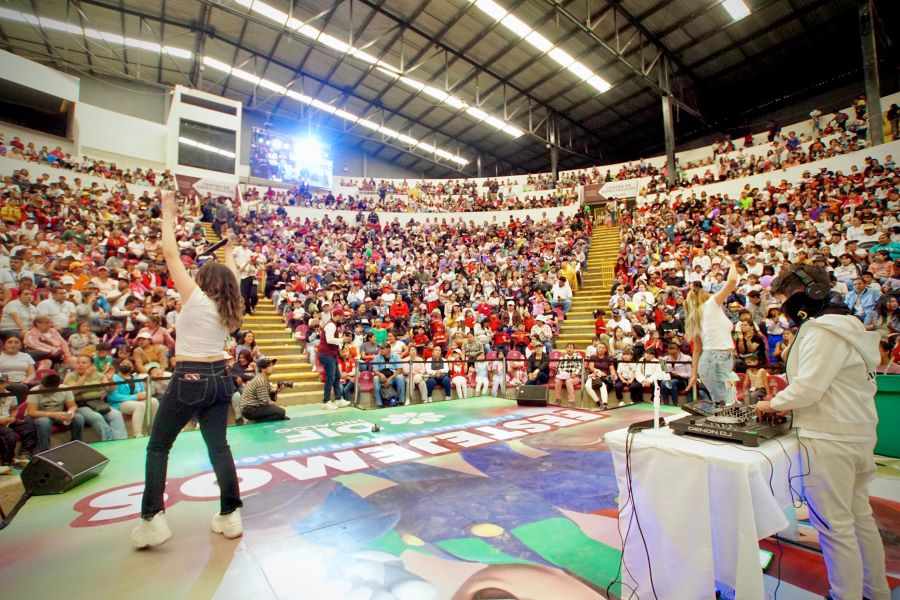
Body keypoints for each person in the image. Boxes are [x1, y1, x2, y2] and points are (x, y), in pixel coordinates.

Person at [756, 264, 890, 600]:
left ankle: (845, 594)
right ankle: (876, 591)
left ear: (806, 294)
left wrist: (770, 404)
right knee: (859, 518)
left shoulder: (822, 330)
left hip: (829, 438)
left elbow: (807, 389)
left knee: (834, 527)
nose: (785, 310)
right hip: (857, 434)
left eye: (785, 300)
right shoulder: (849, 324)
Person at [132, 191, 245, 550]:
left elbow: (168, 253)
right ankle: (230, 514)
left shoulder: (196, 298)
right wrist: (230, 251)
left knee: (158, 447)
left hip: (190, 379)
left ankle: (152, 519)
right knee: (219, 448)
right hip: (220, 381)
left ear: (204, 281)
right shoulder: (233, 304)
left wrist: (167, 213)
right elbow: (236, 274)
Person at [686, 256, 739, 404]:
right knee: (726, 403)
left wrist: (694, 374)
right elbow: (733, 281)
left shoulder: (696, 316)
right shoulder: (711, 303)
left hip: (718, 359)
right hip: (716, 359)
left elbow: (697, 350)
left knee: (727, 401)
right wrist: (732, 264)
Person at [64, 355, 127, 441]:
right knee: (97, 417)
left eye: (84, 362)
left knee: (116, 415)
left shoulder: (99, 375)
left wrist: (110, 379)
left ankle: (121, 440)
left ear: (91, 365)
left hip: (98, 403)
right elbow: (72, 392)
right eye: (78, 363)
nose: (80, 365)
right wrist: (85, 376)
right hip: (81, 405)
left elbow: (110, 389)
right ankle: (108, 442)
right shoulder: (71, 376)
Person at [27, 370, 84, 452]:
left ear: (56, 388)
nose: (41, 389)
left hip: (58, 414)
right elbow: (32, 412)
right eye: (41, 387)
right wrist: (53, 414)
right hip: (40, 415)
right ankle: (43, 451)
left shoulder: (65, 389)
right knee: (44, 422)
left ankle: (77, 445)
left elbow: (72, 405)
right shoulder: (34, 390)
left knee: (78, 418)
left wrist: (70, 412)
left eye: (45, 389)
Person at [107, 358, 159, 438]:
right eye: (123, 363)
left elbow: (141, 390)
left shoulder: (135, 378)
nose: (125, 365)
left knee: (153, 401)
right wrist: (135, 397)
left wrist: (144, 394)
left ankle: (152, 430)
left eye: (128, 364)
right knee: (139, 406)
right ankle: (137, 434)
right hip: (119, 403)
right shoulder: (114, 377)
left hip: (136, 400)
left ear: (132, 367)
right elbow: (113, 396)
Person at [0, 373, 37, 467]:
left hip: (8, 419)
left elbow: (14, 409)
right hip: (1, 422)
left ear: (7, 383)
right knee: (10, 435)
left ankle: (25, 453)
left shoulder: (10, 395)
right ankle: (7, 461)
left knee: (29, 426)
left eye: (1, 382)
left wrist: (13, 417)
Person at [238, 358, 287, 422]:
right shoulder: (260, 381)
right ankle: (256, 422)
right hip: (249, 410)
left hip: (253, 407)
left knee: (280, 414)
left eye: (272, 366)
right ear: (262, 368)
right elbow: (266, 402)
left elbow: (268, 392)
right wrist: (276, 406)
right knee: (281, 412)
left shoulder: (262, 378)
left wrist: (279, 390)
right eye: (269, 366)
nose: (272, 368)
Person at [320, 307, 350, 410]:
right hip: (326, 354)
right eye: (342, 316)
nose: (343, 318)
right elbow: (329, 340)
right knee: (331, 378)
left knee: (337, 377)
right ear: (338, 315)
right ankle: (326, 401)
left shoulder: (333, 324)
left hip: (331, 354)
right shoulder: (331, 325)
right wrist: (341, 340)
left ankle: (338, 399)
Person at [371, 343, 405, 408]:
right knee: (375, 378)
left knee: (400, 377)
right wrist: (380, 374)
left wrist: (390, 378)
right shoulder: (377, 357)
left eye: (382, 349)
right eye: (380, 349)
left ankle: (401, 401)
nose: (380, 350)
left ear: (388, 349)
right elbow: (375, 370)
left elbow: (399, 370)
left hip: (393, 377)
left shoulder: (396, 356)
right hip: (382, 377)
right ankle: (379, 403)